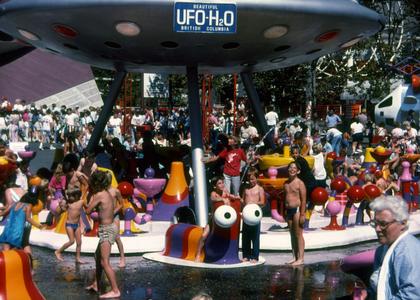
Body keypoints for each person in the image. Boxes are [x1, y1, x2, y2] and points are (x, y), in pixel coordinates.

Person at [361, 196, 420, 299]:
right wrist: (368, 293)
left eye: (383, 224)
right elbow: (382, 287)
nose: (378, 229)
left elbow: (412, 296)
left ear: (403, 223)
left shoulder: (407, 252)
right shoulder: (382, 249)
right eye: (375, 223)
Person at [85, 171, 120, 299]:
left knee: (105, 262)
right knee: (97, 256)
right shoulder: (107, 193)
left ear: (95, 184)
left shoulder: (99, 195)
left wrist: (85, 198)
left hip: (106, 229)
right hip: (108, 228)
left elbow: (88, 210)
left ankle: (115, 290)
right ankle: (97, 285)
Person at [0, 187, 46, 256]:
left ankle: (6, 264)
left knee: (6, 246)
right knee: (23, 245)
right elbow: (28, 219)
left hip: (9, 228)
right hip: (19, 228)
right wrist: (39, 226)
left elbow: (4, 213)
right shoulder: (28, 205)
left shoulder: (14, 204)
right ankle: (28, 262)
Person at [54, 187, 85, 264]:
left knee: (79, 242)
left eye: (70, 196)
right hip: (69, 225)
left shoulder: (81, 202)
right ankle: (58, 251)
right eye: (68, 196)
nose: (69, 197)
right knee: (72, 241)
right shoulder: (68, 203)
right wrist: (60, 206)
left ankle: (77, 258)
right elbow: (58, 212)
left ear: (77, 196)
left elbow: (86, 209)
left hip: (76, 225)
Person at [283, 161, 306, 266]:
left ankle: (301, 258)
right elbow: (285, 198)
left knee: (298, 234)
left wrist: (302, 214)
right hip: (289, 211)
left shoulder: (300, 183)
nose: (292, 169)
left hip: (297, 210)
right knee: (292, 235)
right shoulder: (286, 183)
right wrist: (284, 211)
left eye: (294, 168)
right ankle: (295, 256)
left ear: (298, 171)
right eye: (290, 167)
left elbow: (304, 200)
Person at [241, 168, 265, 263]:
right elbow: (243, 200)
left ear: (257, 178)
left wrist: (254, 202)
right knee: (245, 236)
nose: (251, 181)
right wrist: (240, 200)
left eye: (253, 179)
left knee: (255, 237)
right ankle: (246, 255)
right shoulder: (246, 189)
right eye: (249, 179)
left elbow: (262, 202)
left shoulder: (260, 189)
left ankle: (255, 256)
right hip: (246, 215)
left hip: (254, 215)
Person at [106, 174, 126, 268]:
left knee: (117, 237)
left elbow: (121, 204)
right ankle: (106, 259)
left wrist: (114, 211)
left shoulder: (115, 191)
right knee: (105, 238)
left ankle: (122, 258)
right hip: (106, 217)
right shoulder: (102, 191)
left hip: (114, 216)